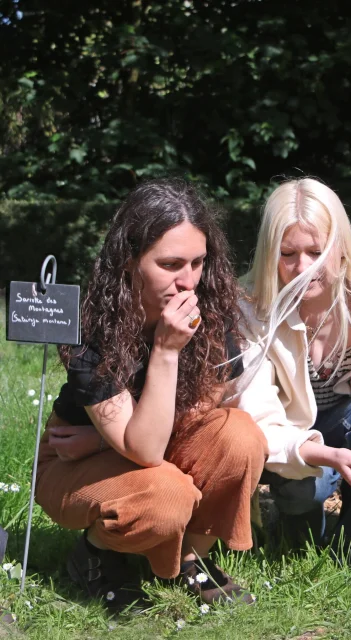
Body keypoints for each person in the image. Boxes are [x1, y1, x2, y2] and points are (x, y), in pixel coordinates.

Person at [36, 179, 268, 607]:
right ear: (129, 261)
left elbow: (209, 404)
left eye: (198, 262)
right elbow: (143, 449)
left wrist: (97, 439)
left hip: (102, 447)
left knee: (240, 435)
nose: (188, 281)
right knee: (165, 493)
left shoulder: (211, 306)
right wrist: (165, 350)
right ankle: (95, 556)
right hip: (70, 465)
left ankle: (190, 557)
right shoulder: (94, 329)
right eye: (171, 264)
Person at [223, 177, 351, 561]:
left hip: (350, 416)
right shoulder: (245, 307)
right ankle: (297, 516)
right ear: (269, 253)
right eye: (287, 254)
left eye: (315, 252)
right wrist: (321, 454)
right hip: (287, 432)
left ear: (340, 246)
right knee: (303, 515)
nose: (303, 268)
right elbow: (259, 417)